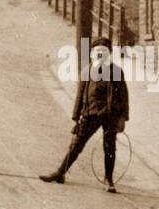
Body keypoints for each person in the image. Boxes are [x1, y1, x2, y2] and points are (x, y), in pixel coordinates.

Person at [41, 37, 130, 192]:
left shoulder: (116, 72)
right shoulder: (88, 71)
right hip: (91, 113)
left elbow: (123, 97)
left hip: (110, 115)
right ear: (92, 54)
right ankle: (60, 173)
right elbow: (80, 95)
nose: (101, 55)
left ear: (109, 54)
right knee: (76, 144)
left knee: (110, 147)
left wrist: (122, 119)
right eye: (97, 51)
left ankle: (108, 179)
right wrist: (76, 117)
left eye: (104, 51)